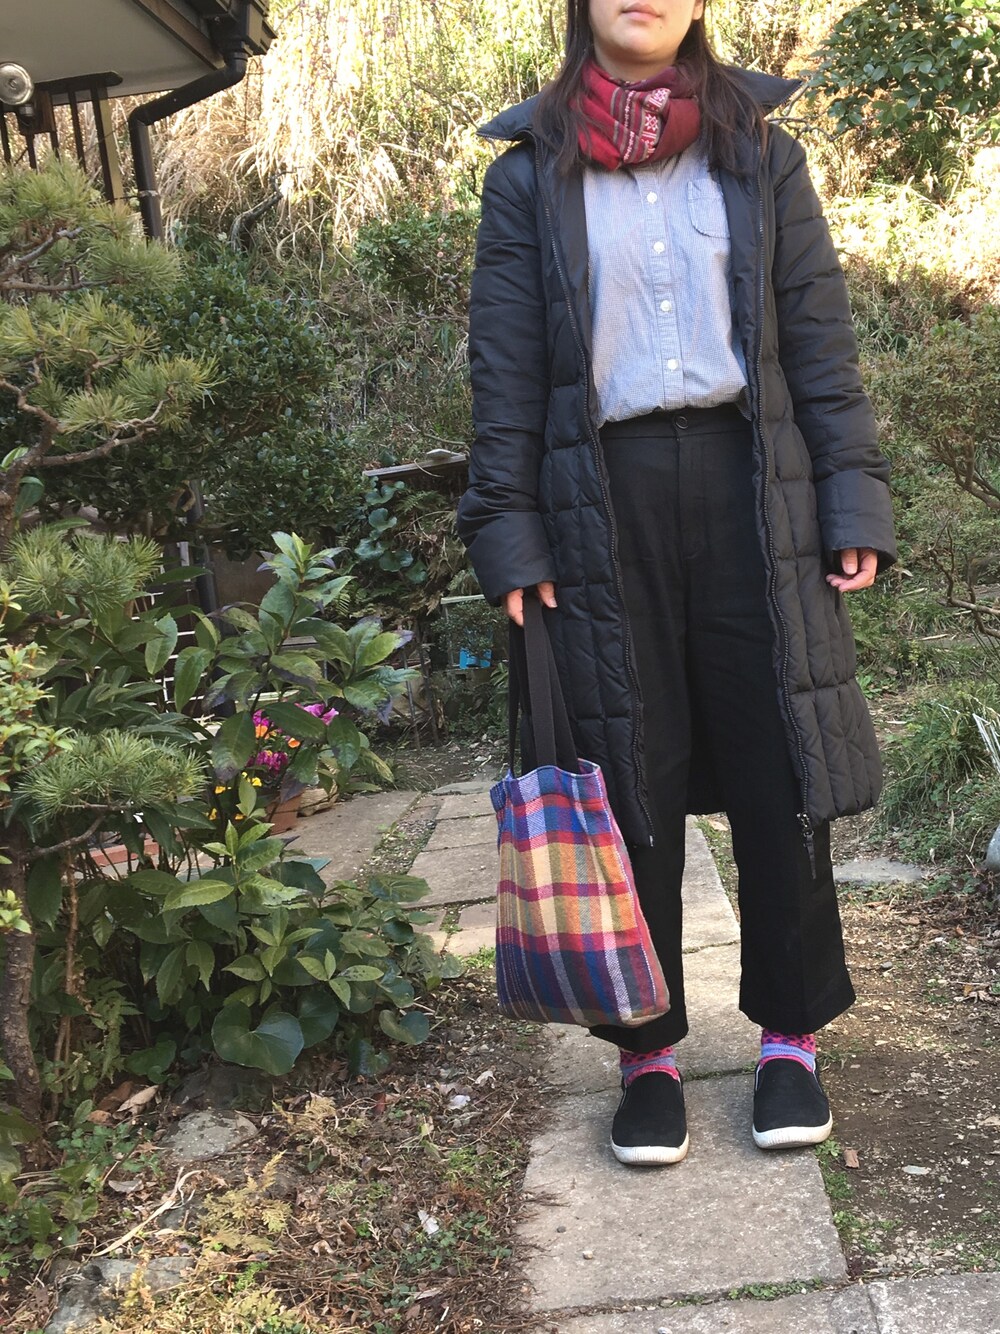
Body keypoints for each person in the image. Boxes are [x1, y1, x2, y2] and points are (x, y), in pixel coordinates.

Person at [457, 0, 896, 1166]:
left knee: (779, 764)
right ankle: (644, 1049)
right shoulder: (528, 176)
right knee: (625, 773)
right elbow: (504, 372)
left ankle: (789, 1038)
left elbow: (819, 343)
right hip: (599, 501)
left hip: (758, 489)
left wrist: (850, 497)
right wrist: (508, 530)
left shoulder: (761, 152)